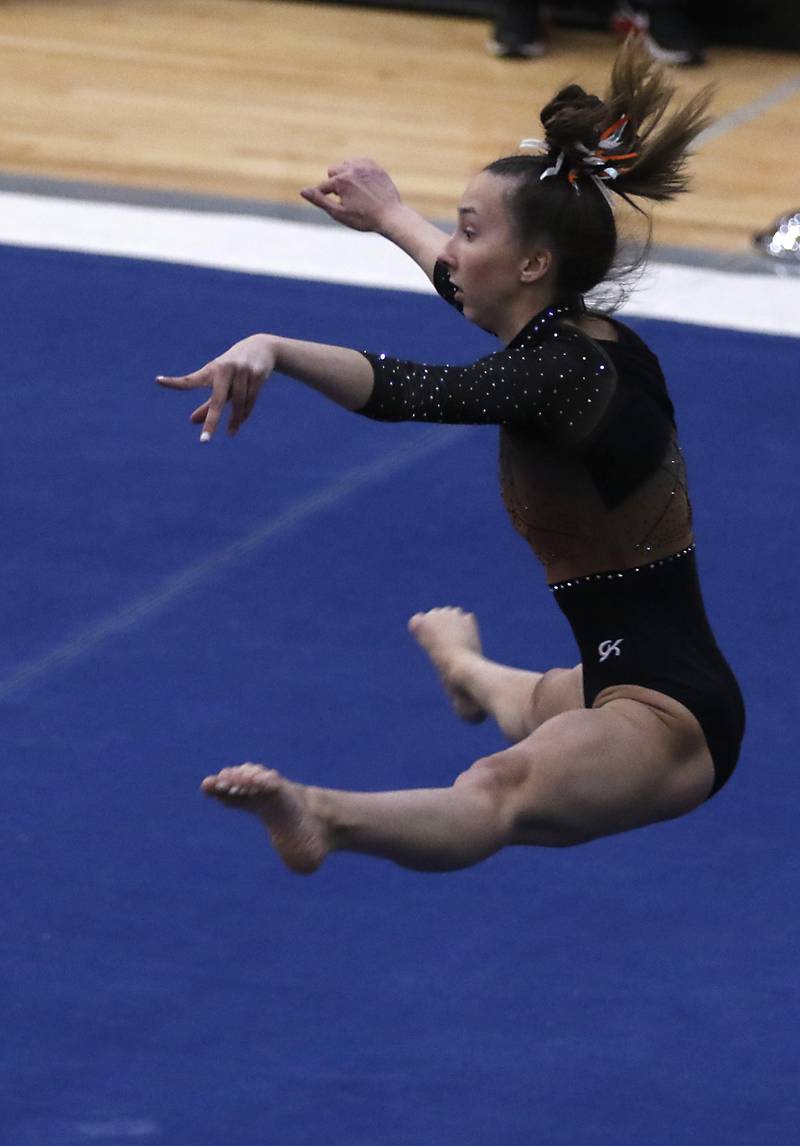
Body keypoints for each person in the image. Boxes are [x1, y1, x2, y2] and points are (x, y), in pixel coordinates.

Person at [156, 37, 744, 876]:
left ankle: (323, 815)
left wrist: (273, 346)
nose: (453, 250)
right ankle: (466, 668)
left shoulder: (563, 374)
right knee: (536, 700)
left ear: (534, 263)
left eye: (470, 230)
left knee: (498, 789)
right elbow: (469, 283)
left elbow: (410, 390)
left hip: (670, 713)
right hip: (621, 672)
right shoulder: (563, 337)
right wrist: (389, 213)